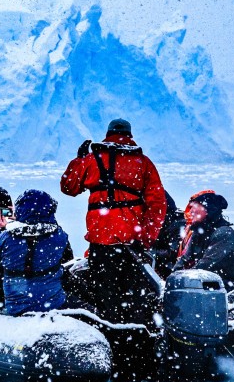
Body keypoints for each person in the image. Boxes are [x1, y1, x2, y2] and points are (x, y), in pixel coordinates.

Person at [60, 118, 167, 324]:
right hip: (131, 242)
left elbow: (69, 187)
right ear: (130, 134)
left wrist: (78, 160)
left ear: (108, 134)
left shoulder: (92, 160)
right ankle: (137, 336)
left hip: (101, 242)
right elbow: (157, 205)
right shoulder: (143, 163)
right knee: (135, 295)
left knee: (105, 293)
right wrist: (146, 238)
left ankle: (110, 331)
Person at [0, 189, 74, 316]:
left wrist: (1, 229)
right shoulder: (60, 236)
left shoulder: (5, 237)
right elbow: (68, 260)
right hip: (54, 303)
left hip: (15, 307)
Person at [172, 190, 234, 291]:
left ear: (208, 210)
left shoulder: (224, 234)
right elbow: (184, 259)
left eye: (195, 207)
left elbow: (205, 266)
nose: (191, 212)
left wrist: (182, 281)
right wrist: (173, 278)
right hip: (213, 282)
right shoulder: (198, 232)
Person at [152, 191, 186, 279]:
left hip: (171, 274)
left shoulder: (178, 224)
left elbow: (174, 252)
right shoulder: (155, 222)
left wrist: (150, 253)